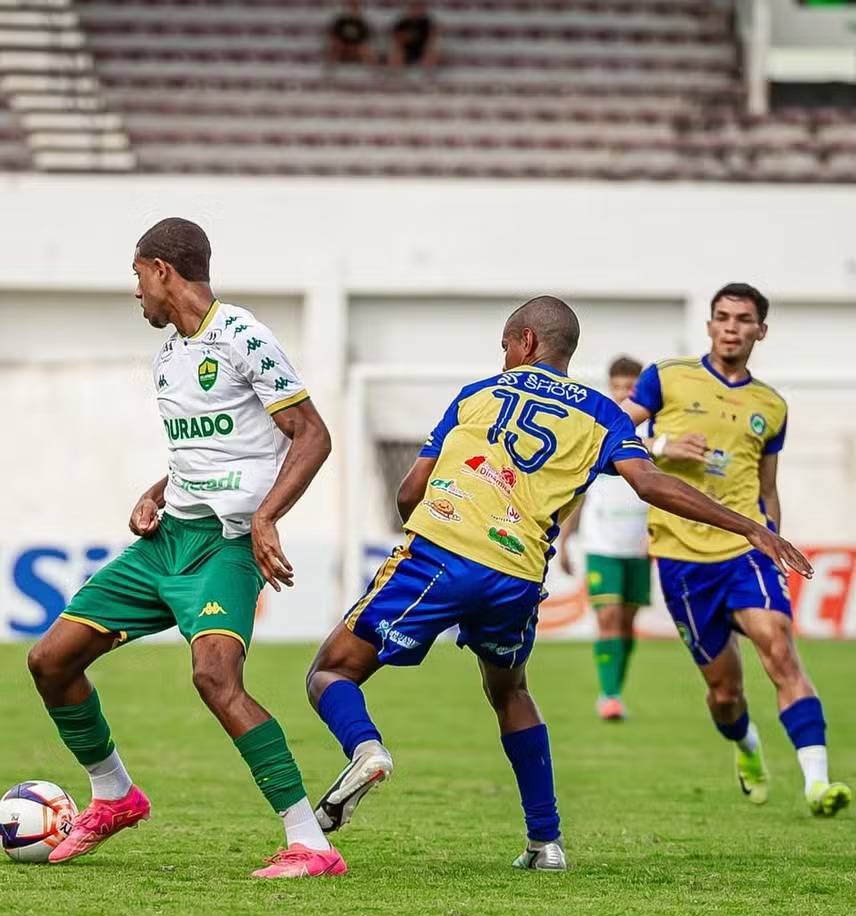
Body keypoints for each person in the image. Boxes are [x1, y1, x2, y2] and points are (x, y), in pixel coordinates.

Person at [304, 296, 813, 872]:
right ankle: (546, 842)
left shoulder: (477, 395)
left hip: (441, 554)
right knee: (511, 692)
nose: (502, 357)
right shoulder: (603, 414)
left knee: (332, 670)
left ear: (523, 342)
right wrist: (749, 525)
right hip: (517, 576)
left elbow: (407, 494)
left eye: (504, 346)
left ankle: (367, 749)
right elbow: (649, 483)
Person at [26, 217, 347, 879]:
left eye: (138, 276)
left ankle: (312, 843)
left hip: (225, 549)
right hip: (166, 543)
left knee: (214, 678)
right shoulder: (169, 354)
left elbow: (311, 434)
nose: (136, 292)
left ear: (162, 271)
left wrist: (266, 517)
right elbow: (202, 450)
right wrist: (156, 490)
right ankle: (114, 794)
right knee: (51, 658)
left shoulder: (242, 336)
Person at [623, 282, 850, 817]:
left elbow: (767, 486)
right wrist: (659, 446)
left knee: (779, 649)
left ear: (760, 331)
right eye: (722, 317)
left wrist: (773, 535)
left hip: (746, 550)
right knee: (725, 695)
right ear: (709, 325)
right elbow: (609, 433)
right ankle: (746, 745)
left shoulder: (770, 405)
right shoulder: (667, 377)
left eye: (743, 319)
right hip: (681, 557)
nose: (731, 326)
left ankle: (818, 782)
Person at [559, 356, 649, 721]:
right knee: (609, 617)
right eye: (618, 386)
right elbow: (577, 491)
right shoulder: (597, 430)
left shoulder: (653, 435)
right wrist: (564, 539)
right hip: (601, 543)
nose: (624, 392)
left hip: (640, 544)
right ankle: (608, 695)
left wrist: (657, 532)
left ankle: (616, 689)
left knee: (627, 623)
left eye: (631, 387)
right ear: (609, 387)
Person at [389, 1, 439, 69]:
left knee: (431, 54)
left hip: (422, 49)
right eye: (414, 9)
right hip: (405, 49)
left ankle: (427, 75)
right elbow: (397, 38)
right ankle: (395, 76)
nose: (416, 11)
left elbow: (432, 37)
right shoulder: (402, 22)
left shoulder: (427, 23)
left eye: (418, 9)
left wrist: (428, 47)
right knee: (396, 54)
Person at [327, 1, 375, 66]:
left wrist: (354, 46)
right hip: (343, 45)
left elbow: (364, 39)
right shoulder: (341, 21)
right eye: (351, 7)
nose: (352, 10)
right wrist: (345, 45)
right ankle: (330, 68)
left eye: (355, 7)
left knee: (364, 49)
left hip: (356, 46)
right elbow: (335, 36)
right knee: (336, 46)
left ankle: (370, 69)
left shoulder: (361, 22)